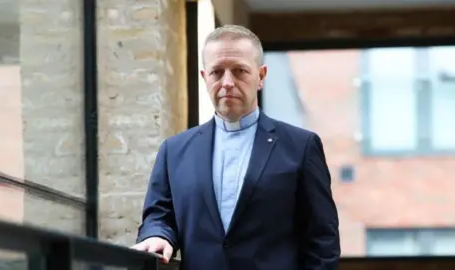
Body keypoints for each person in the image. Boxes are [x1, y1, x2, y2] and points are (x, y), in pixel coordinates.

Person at [131, 24, 340, 270]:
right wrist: (158, 235)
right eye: (217, 72)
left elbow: (322, 240)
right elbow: (159, 214)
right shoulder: (174, 150)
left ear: (261, 76)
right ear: (204, 77)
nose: (227, 82)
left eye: (240, 71)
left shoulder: (301, 146)